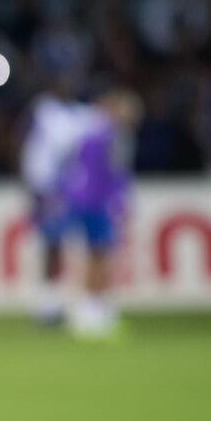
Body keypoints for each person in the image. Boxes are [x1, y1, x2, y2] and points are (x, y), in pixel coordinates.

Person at [58, 87, 140, 338]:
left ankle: (94, 308)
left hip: (89, 201)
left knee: (97, 255)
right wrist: (118, 202)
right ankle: (91, 310)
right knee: (99, 255)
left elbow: (75, 170)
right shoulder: (106, 137)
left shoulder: (94, 135)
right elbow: (109, 175)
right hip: (97, 203)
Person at [19, 79, 94, 324]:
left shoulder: (82, 114)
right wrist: (34, 183)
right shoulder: (44, 111)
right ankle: (49, 301)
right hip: (48, 187)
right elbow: (29, 148)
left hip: (75, 187)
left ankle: (82, 302)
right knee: (52, 243)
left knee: (80, 242)